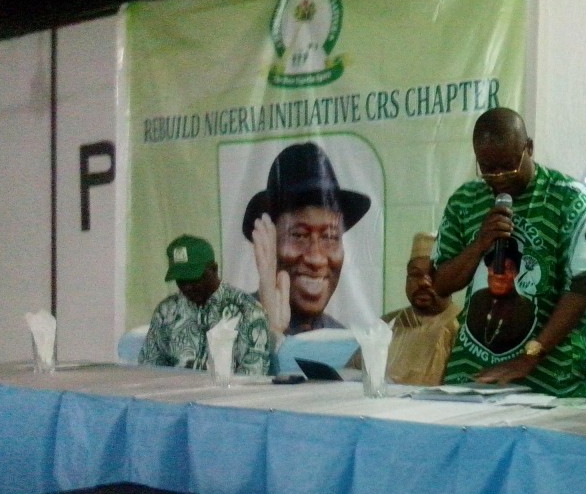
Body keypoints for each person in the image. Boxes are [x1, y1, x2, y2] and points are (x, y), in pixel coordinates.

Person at [432, 107, 586, 397]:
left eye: (508, 165)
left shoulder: (569, 197)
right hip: (473, 372)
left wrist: (530, 355)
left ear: (529, 148)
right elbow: (441, 283)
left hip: (551, 373)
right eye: (487, 168)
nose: (499, 177)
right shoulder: (464, 201)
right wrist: (480, 243)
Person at [242, 141, 371, 340]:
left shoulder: (343, 343)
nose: (317, 259)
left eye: (329, 237)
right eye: (299, 236)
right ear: (267, 242)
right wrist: (270, 332)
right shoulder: (228, 331)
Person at [139, 234, 271, 375]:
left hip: (226, 394)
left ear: (214, 269)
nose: (188, 287)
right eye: (181, 280)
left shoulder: (248, 311)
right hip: (173, 393)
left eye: (194, 278)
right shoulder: (166, 311)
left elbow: (253, 376)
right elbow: (149, 368)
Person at [347, 232, 461, 385]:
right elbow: (350, 375)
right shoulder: (387, 324)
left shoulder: (463, 326)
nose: (423, 283)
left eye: (432, 274)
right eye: (415, 274)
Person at [465, 239, 536, 354]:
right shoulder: (476, 299)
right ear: (488, 270)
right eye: (495, 267)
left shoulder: (527, 309)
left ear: (516, 272)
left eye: (507, 268)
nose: (500, 274)